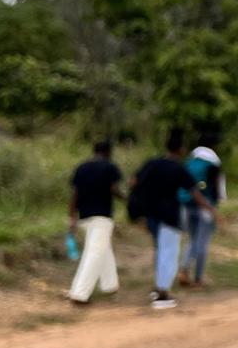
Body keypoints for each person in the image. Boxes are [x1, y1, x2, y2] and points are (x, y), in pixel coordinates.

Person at [130, 129, 212, 310]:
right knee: (169, 253)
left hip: (151, 215)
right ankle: (162, 294)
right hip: (169, 216)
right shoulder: (178, 168)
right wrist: (210, 209)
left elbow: (133, 181)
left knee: (160, 251)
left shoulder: (152, 163)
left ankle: (157, 287)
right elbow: (195, 193)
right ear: (181, 149)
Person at [66, 140, 124, 306]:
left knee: (102, 249)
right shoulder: (109, 167)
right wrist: (127, 199)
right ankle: (79, 293)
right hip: (102, 216)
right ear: (108, 152)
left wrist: (71, 217)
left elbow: (74, 194)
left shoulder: (82, 167)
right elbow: (114, 189)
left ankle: (109, 284)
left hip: (84, 216)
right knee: (95, 253)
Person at [177, 132, 223, 289]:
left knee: (192, 238)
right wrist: (214, 208)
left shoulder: (190, 160)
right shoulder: (213, 162)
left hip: (186, 205)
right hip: (205, 205)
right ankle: (197, 278)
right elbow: (216, 188)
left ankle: (183, 269)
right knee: (202, 242)